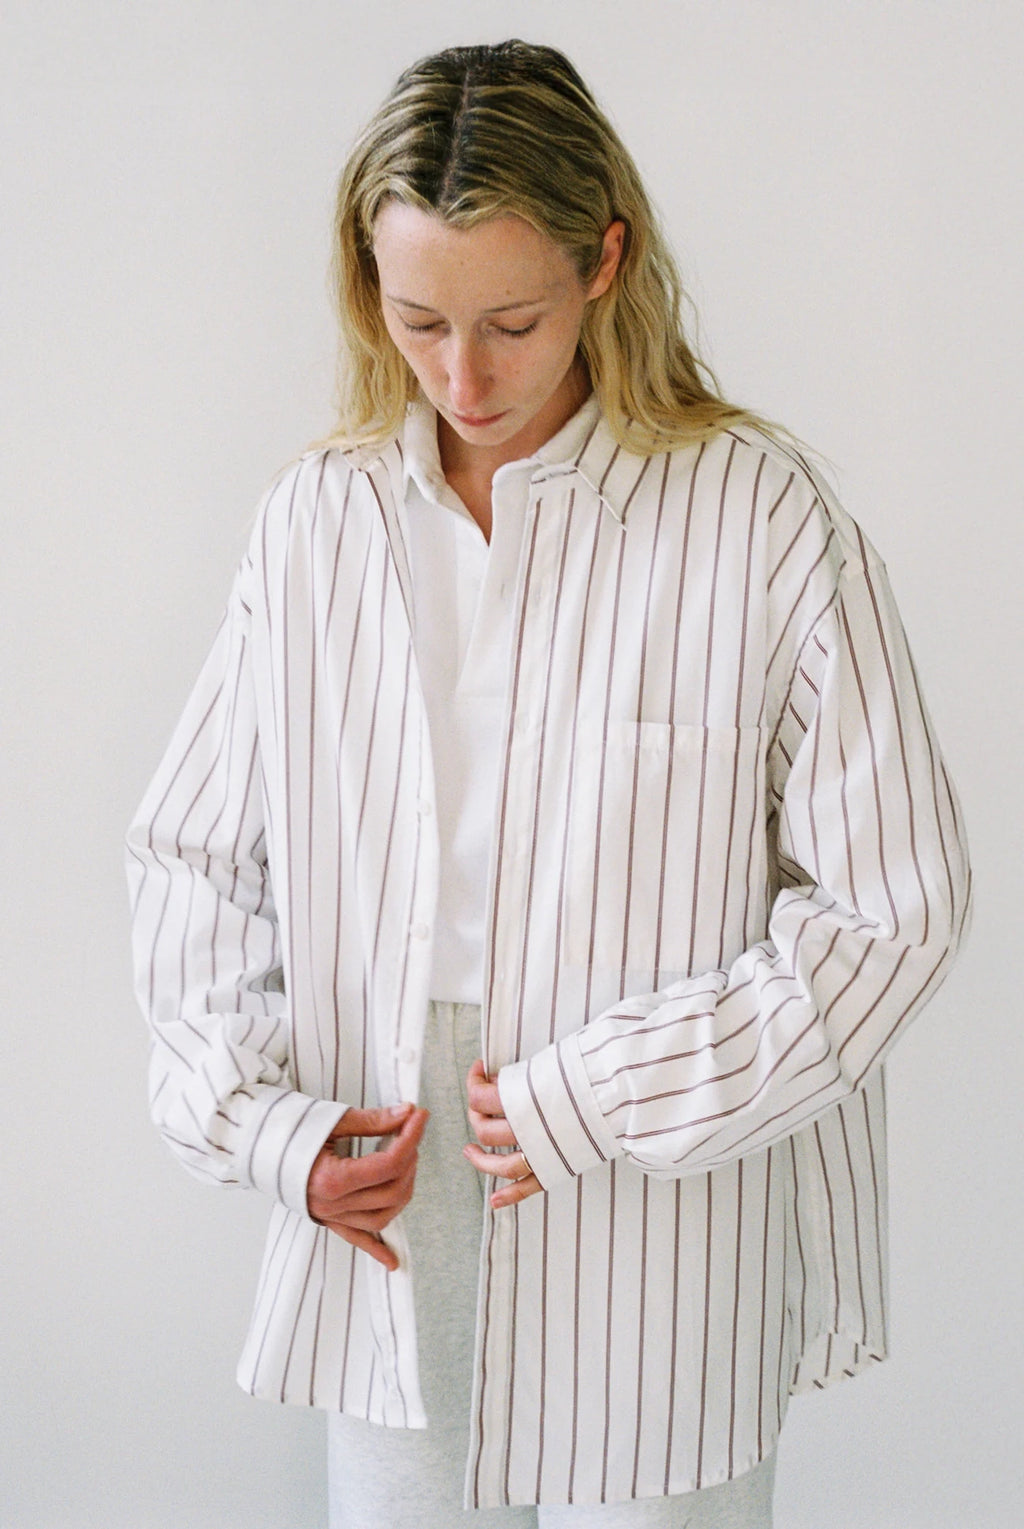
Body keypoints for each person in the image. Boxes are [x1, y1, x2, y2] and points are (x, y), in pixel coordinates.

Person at [126, 39, 970, 1528]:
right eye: (419, 320)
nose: (464, 378)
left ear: (606, 262)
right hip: (386, 1159)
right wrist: (265, 1124)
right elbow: (191, 852)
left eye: (511, 321)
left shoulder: (756, 518)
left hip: (659, 1188)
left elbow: (896, 908)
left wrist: (603, 1093)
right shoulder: (316, 525)